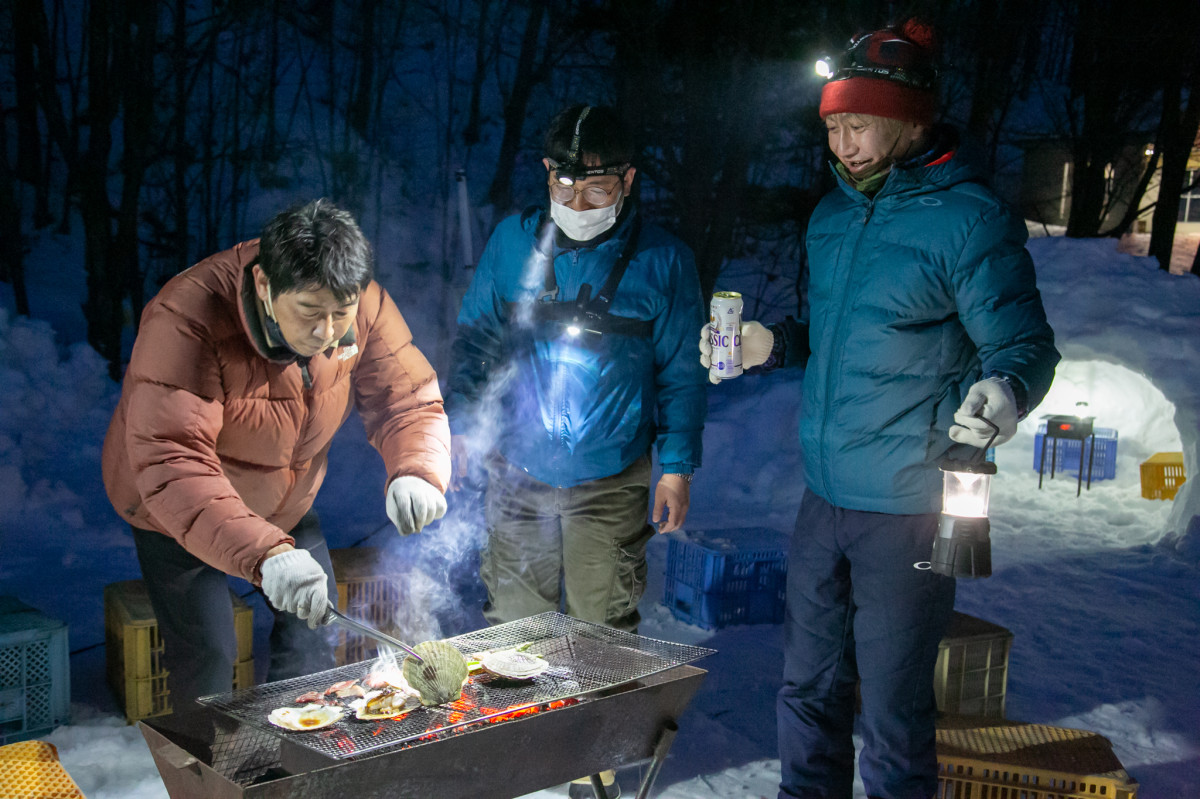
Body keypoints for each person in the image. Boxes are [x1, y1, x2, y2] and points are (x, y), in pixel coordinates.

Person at [700, 20, 1059, 799]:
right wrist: (773, 343)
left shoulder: (971, 220)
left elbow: (1026, 345)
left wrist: (1006, 391)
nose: (842, 142)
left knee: (893, 714)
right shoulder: (831, 216)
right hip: (824, 496)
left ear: (910, 118)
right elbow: (832, 338)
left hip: (912, 506)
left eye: (857, 123)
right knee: (805, 690)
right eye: (831, 125)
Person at [448, 104, 707, 798]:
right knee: (513, 630)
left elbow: (683, 369)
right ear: (546, 175)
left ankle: (594, 778)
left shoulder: (665, 260)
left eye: (597, 189)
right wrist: (464, 428)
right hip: (518, 471)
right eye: (565, 186)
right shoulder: (513, 243)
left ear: (627, 180)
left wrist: (676, 464)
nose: (579, 202)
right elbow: (475, 340)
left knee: (600, 634)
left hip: (611, 477)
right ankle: (518, 769)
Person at [102, 199, 451, 709]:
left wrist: (416, 469)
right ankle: (209, 781)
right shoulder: (187, 317)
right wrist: (266, 553)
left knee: (314, 627)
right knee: (208, 656)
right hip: (175, 505)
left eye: (341, 314)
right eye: (309, 313)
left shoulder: (364, 304)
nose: (327, 333)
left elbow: (407, 397)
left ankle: (296, 761)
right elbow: (172, 459)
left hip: (282, 495)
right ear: (265, 286)